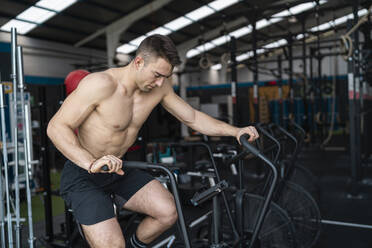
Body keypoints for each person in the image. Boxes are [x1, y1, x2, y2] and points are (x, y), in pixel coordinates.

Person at [47, 34, 259, 248]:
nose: (160, 82)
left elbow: (192, 117)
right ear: (138, 62)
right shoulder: (100, 84)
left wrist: (235, 131)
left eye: (165, 77)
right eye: (157, 75)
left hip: (118, 170)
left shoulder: (160, 87)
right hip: (84, 174)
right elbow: (56, 127)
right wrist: (90, 162)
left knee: (167, 212)